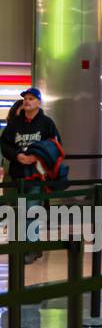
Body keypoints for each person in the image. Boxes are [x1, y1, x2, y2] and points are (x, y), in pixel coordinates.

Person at [1, 88, 62, 263]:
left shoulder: (47, 123)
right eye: (25, 99)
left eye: (31, 99)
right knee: (17, 212)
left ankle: (29, 249)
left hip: (37, 175)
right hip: (17, 175)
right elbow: (5, 145)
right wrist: (17, 155)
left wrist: (37, 156)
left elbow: (56, 145)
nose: (27, 101)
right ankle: (29, 246)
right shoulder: (14, 125)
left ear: (38, 103)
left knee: (31, 210)